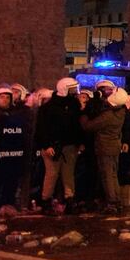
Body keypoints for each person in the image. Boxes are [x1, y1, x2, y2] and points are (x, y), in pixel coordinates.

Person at [34, 76, 83, 208]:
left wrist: (79, 142)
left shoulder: (74, 104)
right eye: (72, 89)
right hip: (53, 146)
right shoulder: (48, 107)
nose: (75, 92)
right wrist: (46, 145)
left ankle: (70, 200)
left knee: (68, 175)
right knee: (51, 175)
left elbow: (77, 125)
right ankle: (46, 200)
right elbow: (42, 128)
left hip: (69, 146)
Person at [81, 87, 129, 210]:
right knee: (113, 174)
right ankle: (117, 200)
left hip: (104, 147)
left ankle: (111, 202)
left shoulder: (108, 116)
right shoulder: (121, 112)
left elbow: (88, 126)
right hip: (115, 146)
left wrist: (84, 114)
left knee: (107, 175)